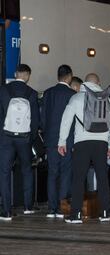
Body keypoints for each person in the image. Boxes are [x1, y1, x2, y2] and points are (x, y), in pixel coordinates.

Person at [58, 80, 110, 223]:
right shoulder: (106, 99)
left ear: (83, 84)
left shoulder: (76, 97)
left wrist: (62, 141)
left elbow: (66, 120)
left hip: (82, 143)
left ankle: (76, 215)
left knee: (78, 178)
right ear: (97, 83)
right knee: (103, 177)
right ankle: (104, 213)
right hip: (101, 143)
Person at [0, 64, 39, 220]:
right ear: (28, 76)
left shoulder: (3, 90)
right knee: (27, 170)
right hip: (24, 138)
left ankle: (7, 210)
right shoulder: (32, 93)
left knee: (4, 172)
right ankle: (28, 207)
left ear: (16, 74)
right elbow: (36, 120)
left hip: (6, 137)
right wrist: (31, 136)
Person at [41, 65, 76, 218]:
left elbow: (43, 117)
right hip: (67, 139)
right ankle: (62, 207)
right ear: (69, 77)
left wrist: (46, 133)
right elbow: (74, 120)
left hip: (51, 139)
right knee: (66, 173)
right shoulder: (72, 94)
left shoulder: (48, 93)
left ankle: (51, 208)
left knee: (52, 173)